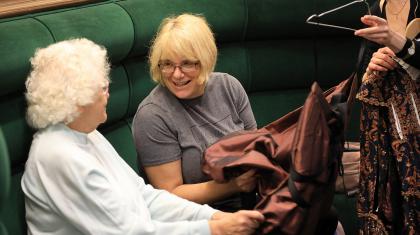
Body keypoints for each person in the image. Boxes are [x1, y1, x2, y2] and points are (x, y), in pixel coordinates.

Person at [21, 38, 264, 235]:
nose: (108, 95)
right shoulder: (58, 156)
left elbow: (144, 196)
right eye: (103, 88)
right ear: (79, 101)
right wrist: (213, 228)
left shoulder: (86, 134)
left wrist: (213, 216)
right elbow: (128, 232)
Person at [132, 14, 258, 212]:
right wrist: (234, 186)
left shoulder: (229, 86)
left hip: (252, 203)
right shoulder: (152, 116)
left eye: (187, 63)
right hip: (198, 219)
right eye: (167, 64)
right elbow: (169, 194)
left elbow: (255, 149)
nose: (176, 74)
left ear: (206, 59)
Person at [354, 0, 419, 233]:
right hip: (388, 140)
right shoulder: (373, 9)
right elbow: (361, 78)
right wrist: (372, 66)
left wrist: (400, 43)